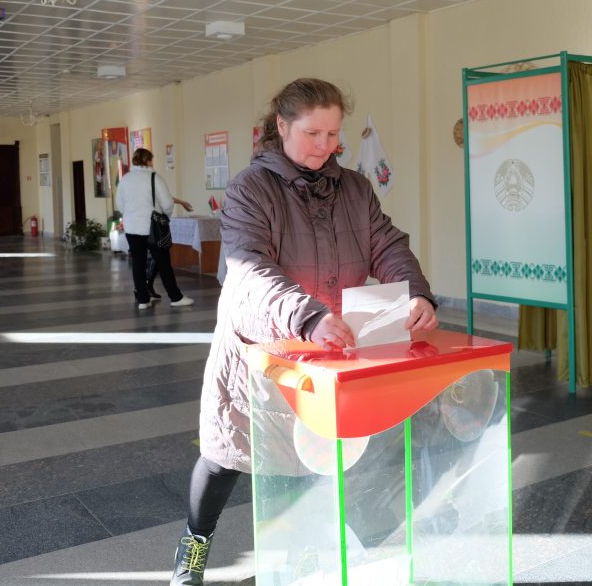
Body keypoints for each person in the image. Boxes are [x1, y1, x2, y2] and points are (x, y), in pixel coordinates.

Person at [170, 78, 438, 585]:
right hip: (262, 347)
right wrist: (307, 316)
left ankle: (302, 553)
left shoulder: (355, 188)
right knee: (226, 455)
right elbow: (248, 270)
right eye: (312, 132)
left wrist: (415, 293)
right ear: (281, 126)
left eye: (333, 134)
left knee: (309, 460)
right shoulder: (252, 188)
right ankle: (194, 544)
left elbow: (387, 245)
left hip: (327, 352)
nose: (325, 145)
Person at [116, 148, 194, 310]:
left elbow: (120, 203)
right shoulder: (154, 178)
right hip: (152, 228)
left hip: (132, 227)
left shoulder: (125, 179)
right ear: (148, 161)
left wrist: (131, 214)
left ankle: (143, 300)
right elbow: (167, 203)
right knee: (163, 262)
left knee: (138, 262)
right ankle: (175, 297)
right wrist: (164, 216)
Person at [147, 196, 194, 300]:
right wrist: (182, 202)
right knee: (161, 260)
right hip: (152, 225)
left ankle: (145, 290)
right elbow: (166, 199)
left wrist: (182, 202)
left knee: (155, 259)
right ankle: (175, 297)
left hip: (138, 225)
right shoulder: (152, 181)